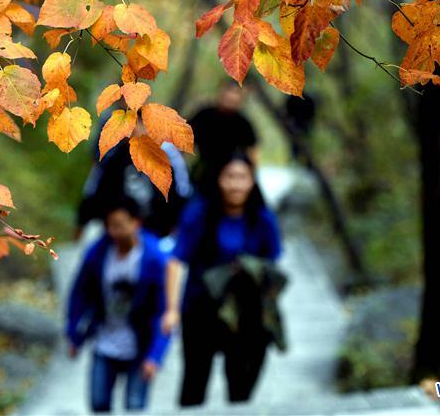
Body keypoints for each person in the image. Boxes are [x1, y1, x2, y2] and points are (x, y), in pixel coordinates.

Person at [161, 151, 284, 406]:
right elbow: (176, 260)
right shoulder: (200, 214)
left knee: (240, 387)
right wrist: (171, 310)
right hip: (201, 309)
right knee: (194, 383)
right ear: (218, 179)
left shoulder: (262, 218)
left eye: (242, 177)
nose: (236, 184)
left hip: (245, 312)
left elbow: (272, 264)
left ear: (252, 180)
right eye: (229, 177)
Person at [66, 197, 171, 412]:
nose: (114, 232)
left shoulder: (155, 259)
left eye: (120, 225)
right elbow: (80, 293)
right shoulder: (98, 253)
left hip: (139, 346)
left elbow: (164, 311)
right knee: (99, 403)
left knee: (134, 406)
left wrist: (155, 355)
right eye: (110, 226)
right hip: (105, 341)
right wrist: (74, 334)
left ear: (136, 223)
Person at [75, 118, 192, 240]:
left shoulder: (167, 154)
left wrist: (171, 227)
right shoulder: (117, 154)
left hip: (155, 231)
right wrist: (85, 221)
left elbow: (181, 193)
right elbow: (98, 189)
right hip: (116, 228)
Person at [188, 83, 258, 185]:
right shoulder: (204, 115)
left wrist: (251, 175)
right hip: (204, 171)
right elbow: (184, 140)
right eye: (228, 91)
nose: (231, 96)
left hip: (232, 174)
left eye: (235, 93)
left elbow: (252, 153)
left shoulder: (243, 123)